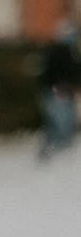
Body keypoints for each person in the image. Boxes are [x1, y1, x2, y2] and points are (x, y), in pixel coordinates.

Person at [37, 22, 79, 158]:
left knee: (57, 121)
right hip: (57, 91)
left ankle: (53, 147)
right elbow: (61, 72)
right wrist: (60, 86)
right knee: (61, 120)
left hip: (57, 91)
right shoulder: (61, 52)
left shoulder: (61, 51)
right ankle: (58, 149)